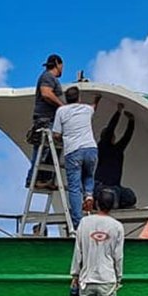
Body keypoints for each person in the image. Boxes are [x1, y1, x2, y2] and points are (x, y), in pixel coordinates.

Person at [71, 187, 124, 296]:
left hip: (87, 277)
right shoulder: (117, 226)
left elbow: (78, 251)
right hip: (108, 277)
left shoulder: (84, 223)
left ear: (96, 203)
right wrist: (119, 276)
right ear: (113, 205)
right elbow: (119, 256)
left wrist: (75, 274)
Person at [51, 87, 98, 228]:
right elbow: (94, 107)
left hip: (73, 151)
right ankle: (89, 195)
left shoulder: (61, 111)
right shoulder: (87, 109)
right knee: (89, 175)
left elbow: (56, 134)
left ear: (66, 98)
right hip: (91, 148)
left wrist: (62, 139)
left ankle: (78, 222)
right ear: (79, 97)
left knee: (74, 187)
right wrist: (97, 99)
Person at [24, 54, 65, 189]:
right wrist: (61, 105)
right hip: (46, 120)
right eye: (62, 66)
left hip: (48, 119)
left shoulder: (49, 77)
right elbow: (46, 93)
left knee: (47, 152)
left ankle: (43, 179)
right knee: (42, 152)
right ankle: (33, 180)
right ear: (58, 64)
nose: (62, 69)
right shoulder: (48, 77)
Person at [95, 102, 138, 210]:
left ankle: (113, 203)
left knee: (130, 197)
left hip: (115, 187)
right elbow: (110, 129)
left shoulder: (117, 149)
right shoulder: (102, 146)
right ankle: (107, 203)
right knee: (111, 196)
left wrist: (131, 121)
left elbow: (126, 137)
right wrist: (118, 112)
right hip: (101, 186)